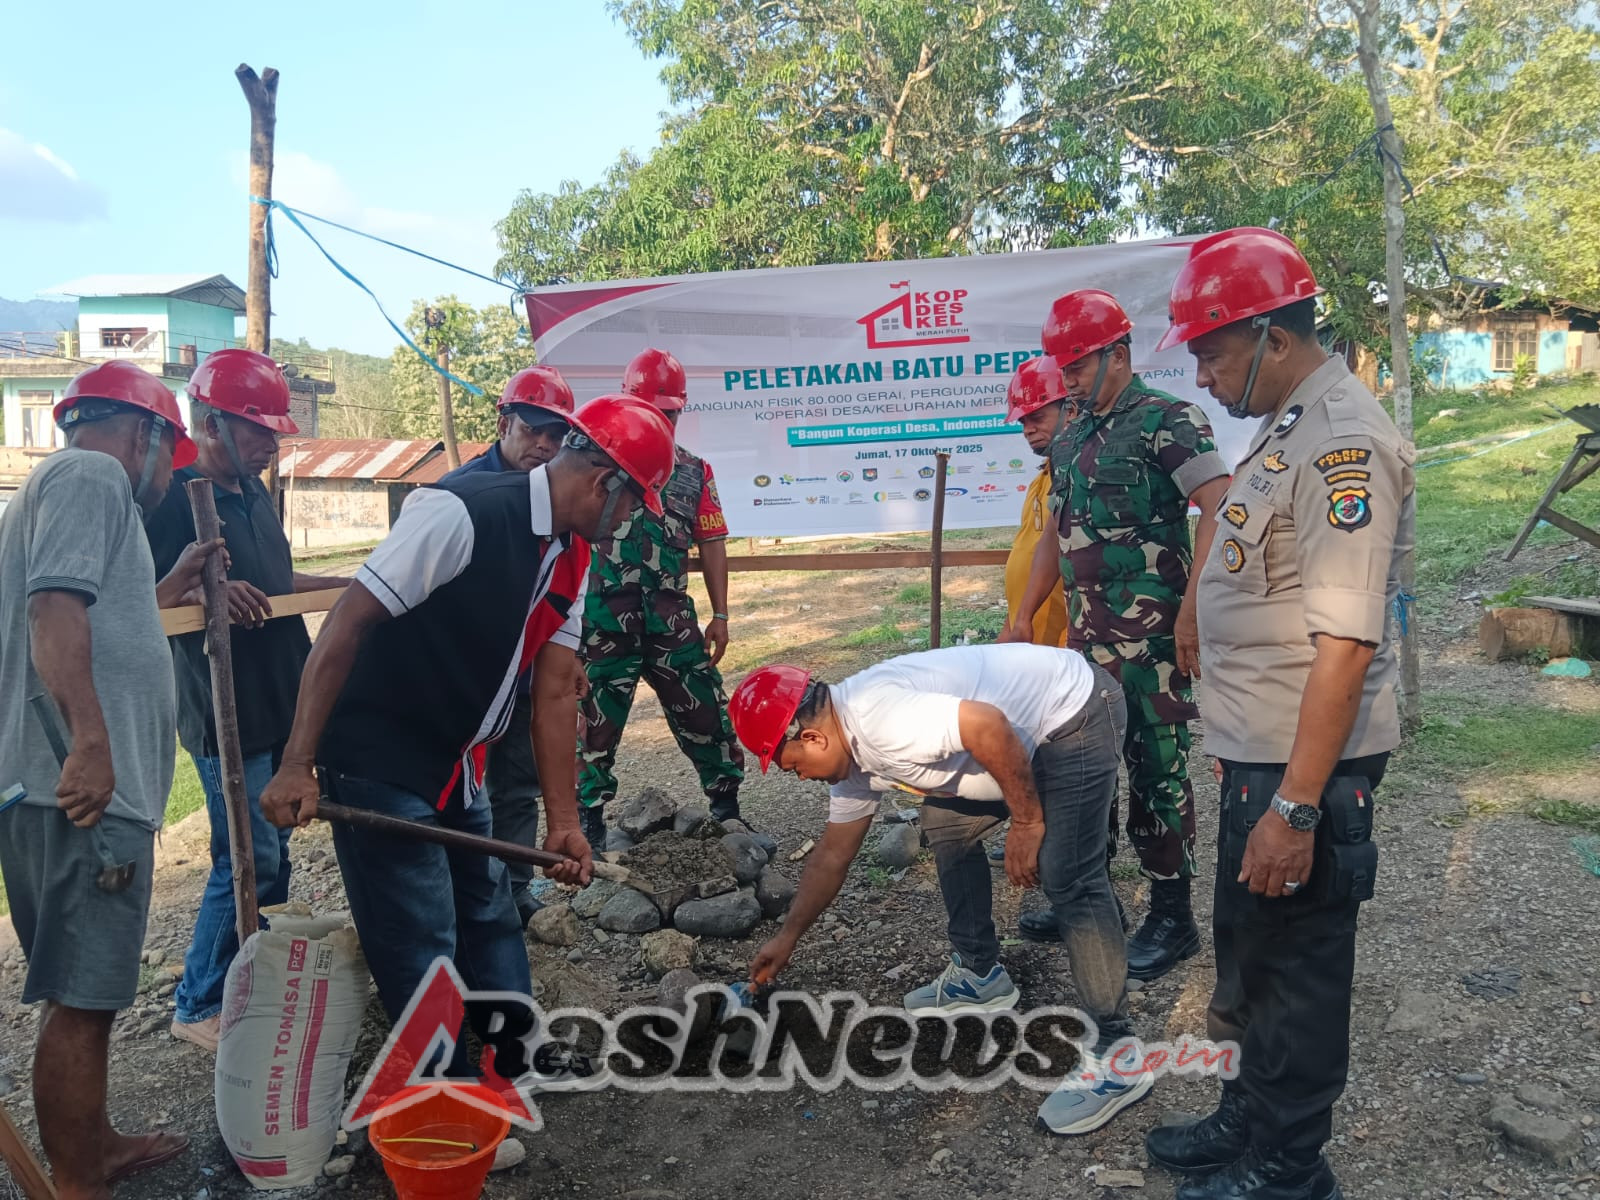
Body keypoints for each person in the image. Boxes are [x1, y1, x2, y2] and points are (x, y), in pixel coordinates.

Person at [259, 396, 675, 1047]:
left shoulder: (572, 554)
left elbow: (557, 690)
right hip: (380, 758)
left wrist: (563, 823)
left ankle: (512, 1058)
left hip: (457, 762)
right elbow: (346, 623)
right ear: (604, 484)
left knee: (488, 911)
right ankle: (446, 1097)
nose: (626, 524)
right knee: (421, 931)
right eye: (631, 508)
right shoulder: (462, 512)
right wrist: (295, 763)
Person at [1141, 228, 1412, 1200]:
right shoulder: (1289, 425)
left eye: (1210, 351)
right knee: (1254, 952)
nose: (1203, 375)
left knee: (1297, 973)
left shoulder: (1341, 438)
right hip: (1261, 755)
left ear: (1269, 335)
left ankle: (1291, 1171)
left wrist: (1295, 812)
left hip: (1307, 772)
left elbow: (1344, 643)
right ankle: (1246, 1122)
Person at [733, 645, 1152, 1136]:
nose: (798, 776)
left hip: (1072, 715)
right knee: (947, 825)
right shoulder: (850, 753)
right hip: (1024, 735)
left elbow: (986, 726)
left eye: (790, 765)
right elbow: (831, 856)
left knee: (1069, 876)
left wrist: (1028, 820)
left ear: (810, 736)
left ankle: (1117, 1055)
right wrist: (787, 939)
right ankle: (980, 975)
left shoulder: (880, 721)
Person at [0, 360, 220, 1197]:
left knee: (87, 990)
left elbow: (94, 610)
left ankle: (96, 1146)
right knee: (83, 1000)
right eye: (173, 455)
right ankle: (76, 1182)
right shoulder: (93, 475)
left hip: (59, 789)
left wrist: (165, 586)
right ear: (147, 435)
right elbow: (54, 609)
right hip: (80, 791)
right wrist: (91, 745)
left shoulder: (58, 485)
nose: (171, 479)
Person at [1002, 289, 1231, 982]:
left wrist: (1192, 612)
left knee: (1157, 771)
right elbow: (1054, 535)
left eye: (1077, 365)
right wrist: (1023, 614)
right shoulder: (1069, 439)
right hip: (1087, 645)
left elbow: (1218, 508)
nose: (1066, 379)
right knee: (1085, 773)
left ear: (1118, 354)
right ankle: (1090, 898)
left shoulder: (1169, 422)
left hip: (1156, 642)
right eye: (1062, 367)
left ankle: (1172, 915)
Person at [145, 349, 351, 1052]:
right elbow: (148, 600)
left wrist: (347, 585)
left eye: (272, 431)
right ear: (210, 423)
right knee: (246, 857)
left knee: (273, 851)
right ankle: (197, 1001)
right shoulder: (173, 498)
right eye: (258, 429)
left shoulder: (255, 493)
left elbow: (270, 577)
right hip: (222, 706)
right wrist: (204, 591)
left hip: (279, 694)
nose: (272, 442)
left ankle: (244, 979)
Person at [577, 348, 745, 848]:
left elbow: (712, 541)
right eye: (653, 411)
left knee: (708, 716)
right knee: (591, 730)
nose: (663, 421)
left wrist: (721, 614)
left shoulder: (694, 471)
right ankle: (587, 825)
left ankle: (727, 812)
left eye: (669, 413)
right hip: (604, 624)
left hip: (672, 623)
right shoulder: (595, 464)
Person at [442, 364, 575, 927]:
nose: (543, 445)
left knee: (516, 783)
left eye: (555, 435)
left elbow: (561, 595)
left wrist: (568, 663)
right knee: (453, 792)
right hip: (461, 679)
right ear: (504, 423)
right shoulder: (458, 497)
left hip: (523, 672)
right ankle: (458, 899)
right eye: (532, 429)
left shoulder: (563, 511)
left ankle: (515, 887)